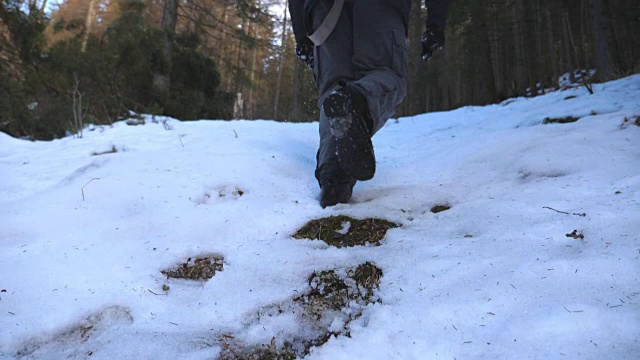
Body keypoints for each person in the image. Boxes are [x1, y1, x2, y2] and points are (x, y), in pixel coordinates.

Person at [289, 0, 451, 208]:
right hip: (379, 10)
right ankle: (358, 100)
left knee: (334, 90)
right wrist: (436, 23)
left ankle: (334, 180)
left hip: (325, 13)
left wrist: (301, 33)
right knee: (386, 76)